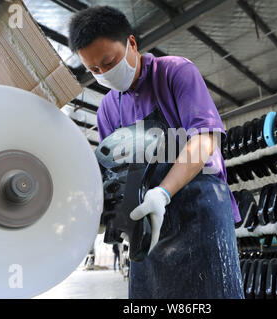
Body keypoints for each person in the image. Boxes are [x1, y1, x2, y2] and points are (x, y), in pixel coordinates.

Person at [69, 6, 243, 299]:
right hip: (148, 221)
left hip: (199, 205)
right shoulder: (108, 109)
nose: (104, 74)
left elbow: (204, 140)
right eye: (94, 70)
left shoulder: (175, 72)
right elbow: (115, 173)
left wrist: (162, 192)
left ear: (131, 44)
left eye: (109, 62)